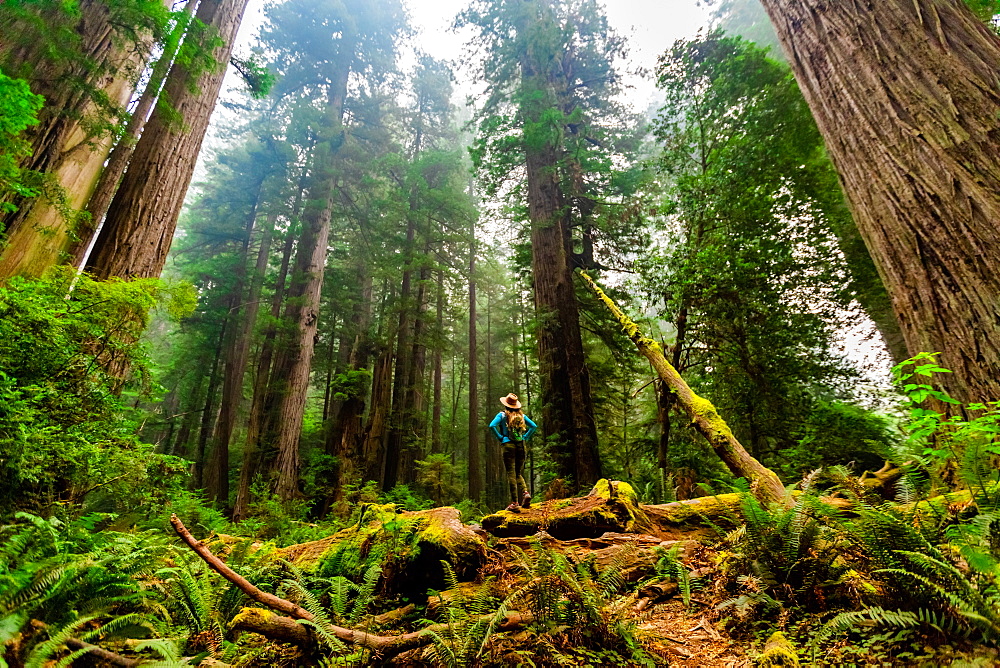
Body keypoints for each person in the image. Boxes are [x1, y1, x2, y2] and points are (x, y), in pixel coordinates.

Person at [489, 393, 538, 512]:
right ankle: (525, 493)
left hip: (508, 445)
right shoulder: (522, 416)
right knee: (518, 473)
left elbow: (491, 426)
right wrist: (525, 437)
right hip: (521, 445)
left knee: (511, 473)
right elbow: (534, 426)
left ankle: (515, 503)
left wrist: (501, 437)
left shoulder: (502, 415)